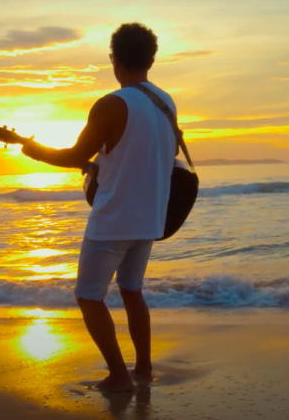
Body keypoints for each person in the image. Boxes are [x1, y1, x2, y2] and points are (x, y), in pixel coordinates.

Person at [20, 22, 178, 392]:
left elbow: (76, 154)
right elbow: (157, 154)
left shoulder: (113, 103)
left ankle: (119, 377)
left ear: (115, 60)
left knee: (89, 296)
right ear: (151, 59)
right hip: (150, 218)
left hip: (112, 220)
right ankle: (143, 369)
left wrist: (33, 151)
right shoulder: (165, 102)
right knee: (131, 290)